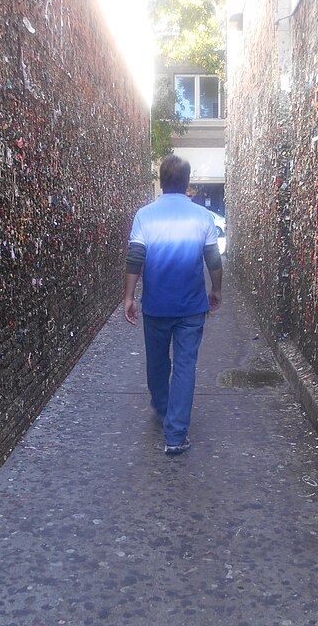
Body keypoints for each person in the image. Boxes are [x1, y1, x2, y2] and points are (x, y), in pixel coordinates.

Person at [124, 155, 223, 455]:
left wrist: (128, 297)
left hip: (155, 305)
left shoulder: (145, 216)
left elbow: (135, 258)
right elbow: (213, 260)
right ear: (188, 184)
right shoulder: (202, 218)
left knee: (157, 362)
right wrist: (216, 289)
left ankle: (164, 407)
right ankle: (176, 435)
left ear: (162, 181)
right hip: (192, 307)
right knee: (184, 367)